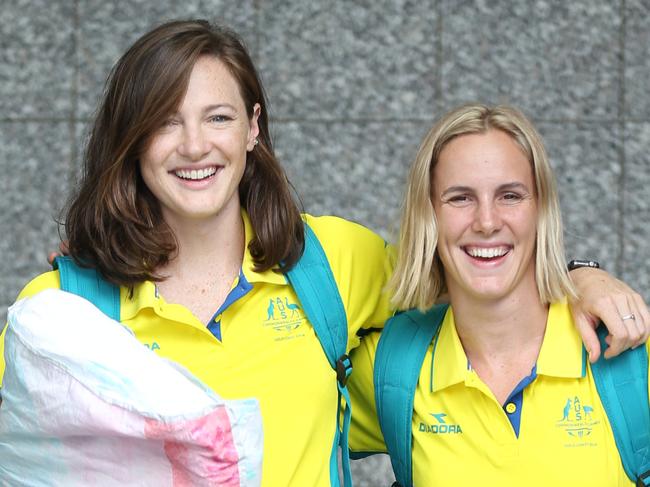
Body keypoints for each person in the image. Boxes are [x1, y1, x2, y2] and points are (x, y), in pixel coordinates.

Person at [0, 20, 647, 487]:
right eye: (166, 121)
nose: (194, 144)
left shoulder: (330, 264)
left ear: (253, 127)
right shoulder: (63, 310)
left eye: (217, 117)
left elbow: (473, 261)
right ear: (132, 139)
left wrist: (578, 275)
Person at [347, 104, 649, 486]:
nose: (487, 222)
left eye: (509, 196)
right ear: (429, 217)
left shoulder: (632, 357)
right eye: (460, 198)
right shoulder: (392, 367)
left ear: (541, 210)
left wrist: (579, 272)